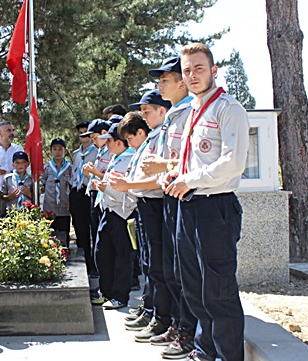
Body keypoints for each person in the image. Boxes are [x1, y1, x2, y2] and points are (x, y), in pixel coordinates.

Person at [164, 42, 249, 361]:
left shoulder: (229, 109)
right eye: (187, 71)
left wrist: (189, 179)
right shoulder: (192, 114)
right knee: (193, 287)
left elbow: (233, 163)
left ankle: (228, 356)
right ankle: (204, 350)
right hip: (187, 206)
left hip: (215, 208)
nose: (192, 75)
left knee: (219, 292)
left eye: (199, 68)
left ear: (214, 70)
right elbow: (191, 163)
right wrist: (174, 175)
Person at [144, 56, 198, 360]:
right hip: (170, 197)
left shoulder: (190, 112)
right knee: (173, 269)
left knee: (186, 271)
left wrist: (164, 167)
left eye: (164, 79)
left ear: (181, 82)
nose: (159, 84)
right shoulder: (174, 116)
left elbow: (188, 160)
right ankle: (179, 324)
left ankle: (188, 332)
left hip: (188, 199)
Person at [114, 90, 174, 342]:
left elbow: (160, 178)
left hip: (156, 205)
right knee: (149, 263)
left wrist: (128, 185)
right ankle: (150, 309)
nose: (144, 117)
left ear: (162, 110)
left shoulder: (160, 137)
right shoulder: (151, 141)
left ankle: (161, 316)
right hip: (144, 206)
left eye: (147, 111)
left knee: (158, 265)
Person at [91, 123, 137, 310]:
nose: (106, 144)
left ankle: (120, 295)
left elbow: (130, 193)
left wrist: (106, 188)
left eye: (109, 141)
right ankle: (107, 292)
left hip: (122, 213)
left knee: (122, 256)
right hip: (107, 210)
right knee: (102, 254)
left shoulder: (130, 160)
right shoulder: (114, 158)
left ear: (119, 142)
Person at [81, 119, 113, 305]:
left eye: (94, 137)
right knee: (98, 244)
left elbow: (111, 176)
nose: (93, 141)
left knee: (105, 248)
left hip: (110, 202)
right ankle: (104, 286)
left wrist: (96, 173)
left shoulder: (112, 150)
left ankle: (109, 289)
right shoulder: (101, 150)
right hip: (97, 198)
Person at [69, 121, 97, 274]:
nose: (83, 135)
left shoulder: (97, 151)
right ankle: (84, 260)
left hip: (90, 190)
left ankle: (95, 262)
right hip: (77, 192)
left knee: (94, 227)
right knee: (80, 228)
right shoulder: (76, 154)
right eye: (81, 133)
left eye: (86, 132)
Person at [40, 138, 72, 244]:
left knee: (64, 233)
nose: (57, 152)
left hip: (64, 206)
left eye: (60, 149)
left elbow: (72, 185)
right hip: (50, 207)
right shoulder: (46, 168)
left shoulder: (69, 168)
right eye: (55, 149)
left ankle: (65, 256)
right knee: (49, 235)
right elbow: (42, 183)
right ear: (51, 151)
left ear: (65, 151)